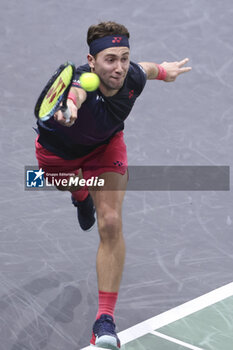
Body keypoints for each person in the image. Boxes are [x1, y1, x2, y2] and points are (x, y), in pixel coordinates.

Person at [35, 21, 191, 349]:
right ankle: (79, 194)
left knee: (110, 221)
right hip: (57, 156)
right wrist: (71, 107)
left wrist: (164, 71)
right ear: (91, 62)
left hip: (106, 148)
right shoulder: (80, 84)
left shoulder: (131, 75)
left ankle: (104, 321)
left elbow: (145, 69)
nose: (119, 67)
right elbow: (75, 95)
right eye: (110, 59)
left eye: (124, 57)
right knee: (68, 185)